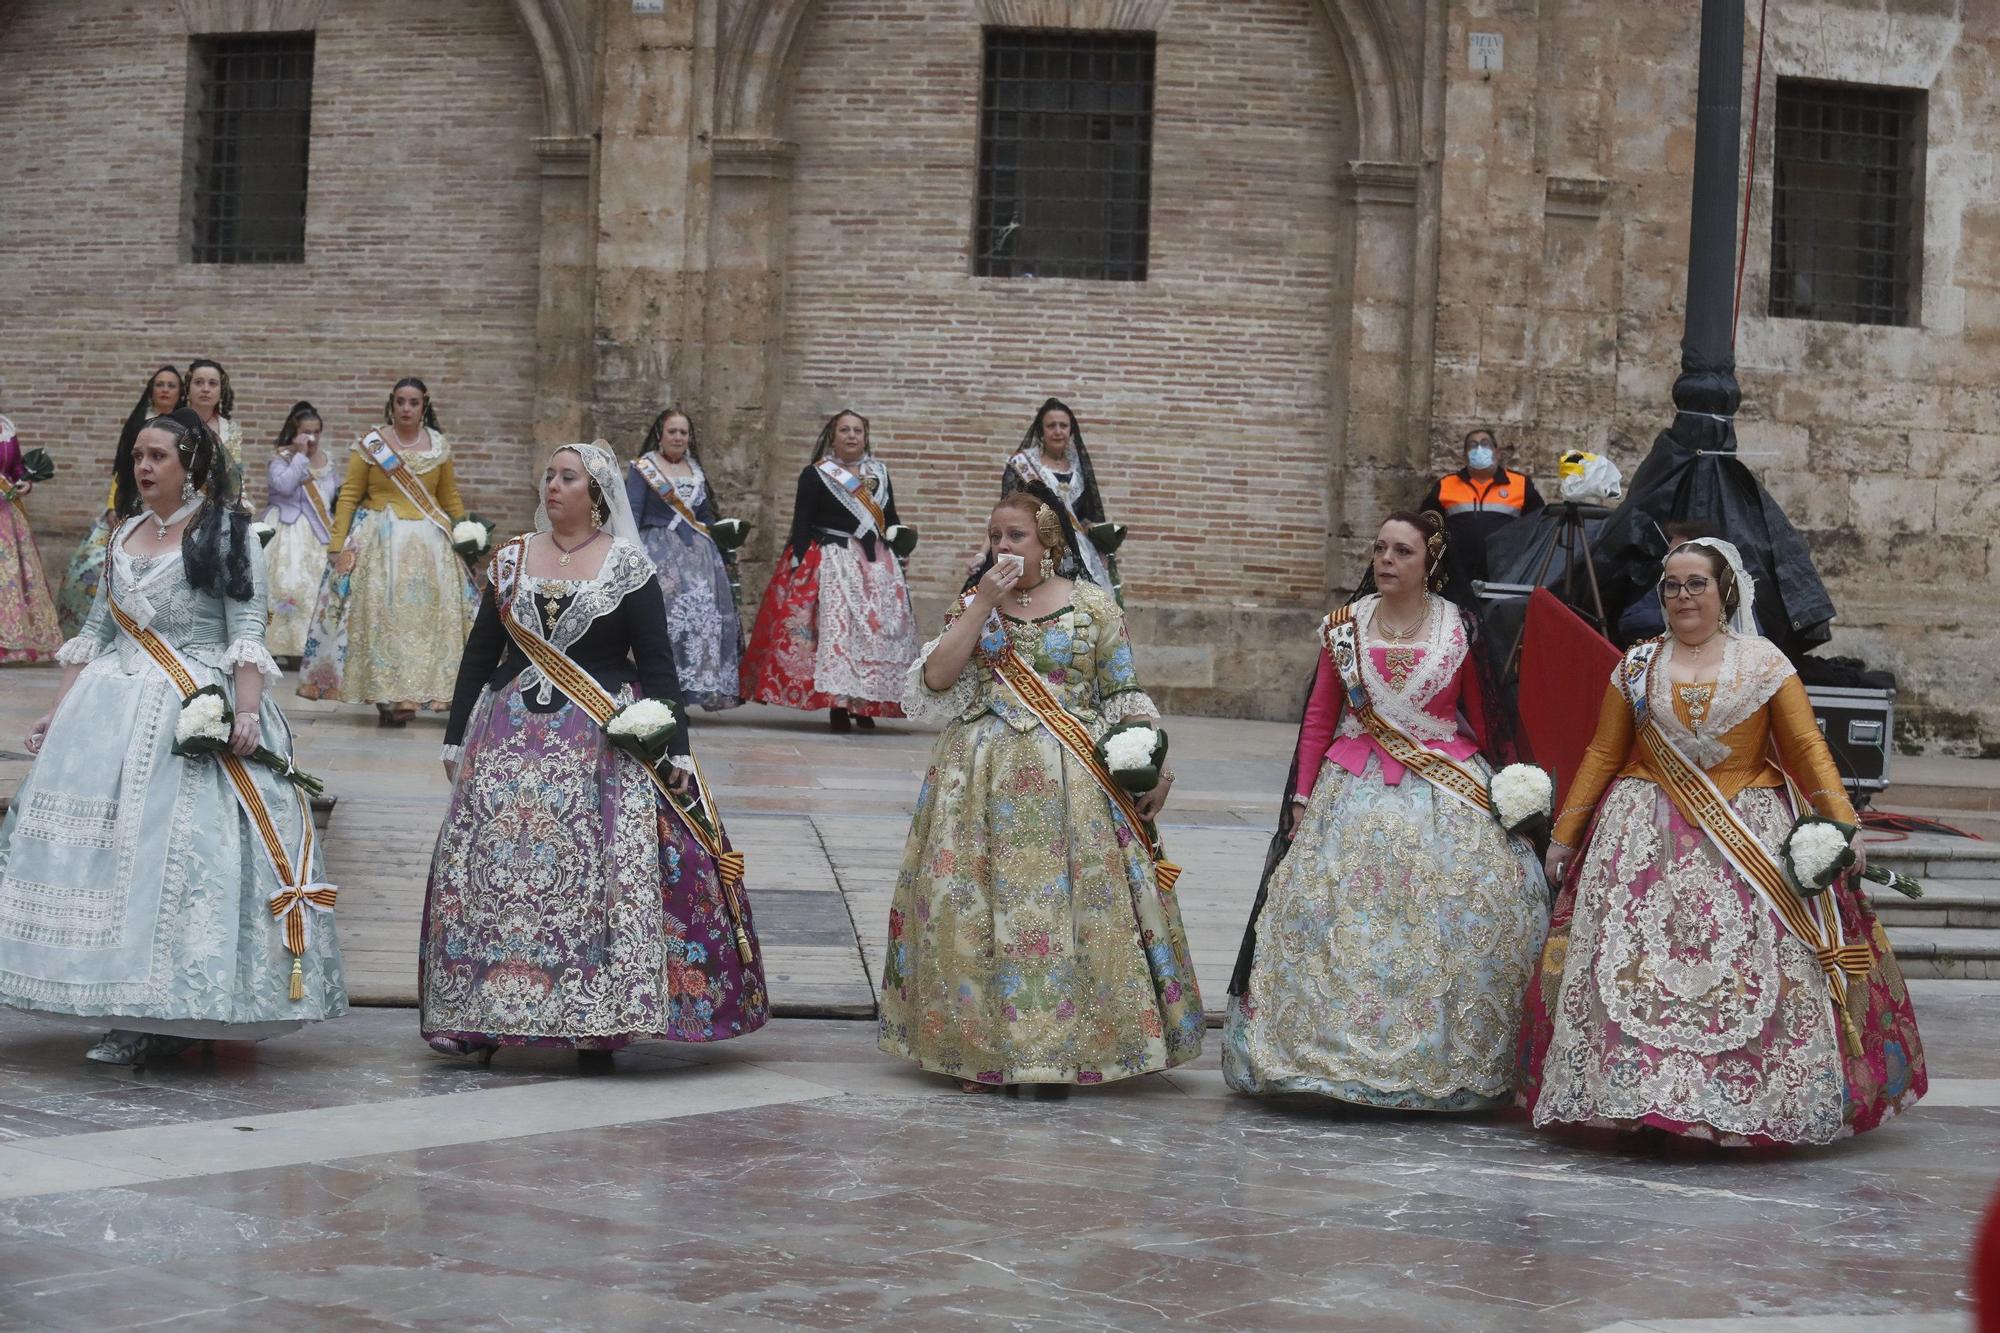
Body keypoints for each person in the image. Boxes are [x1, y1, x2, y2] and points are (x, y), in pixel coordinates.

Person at [1517, 538, 1926, 1145]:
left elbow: (1807, 749)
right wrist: (1565, 836)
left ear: (1724, 591)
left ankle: (1736, 1099)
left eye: (1695, 584)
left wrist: (1843, 823)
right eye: (1671, 586)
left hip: (1747, 833)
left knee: (1746, 971)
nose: (1682, 596)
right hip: (1643, 832)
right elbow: (1604, 751)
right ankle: (1640, 1095)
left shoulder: (1764, 664)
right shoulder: (1636, 666)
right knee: (1636, 968)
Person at [0, 409, 346, 1066]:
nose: (144, 466)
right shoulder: (123, 532)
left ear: (192, 466)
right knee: (106, 861)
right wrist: (58, 709)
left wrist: (245, 712)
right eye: (137, 455)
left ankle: (175, 1006)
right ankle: (118, 1004)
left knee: (179, 861)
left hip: (194, 707)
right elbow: (99, 629)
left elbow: (246, 627)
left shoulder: (227, 532)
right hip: (108, 713)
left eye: (157, 455)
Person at [422, 442, 767, 1069]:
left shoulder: (628, 567)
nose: (553, 485)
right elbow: (480, 654)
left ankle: (592, 1020)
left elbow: (659, 666)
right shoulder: (510, 562)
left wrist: (676, 751)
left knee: (590, 876)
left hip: (596, 750)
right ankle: (481, 1015)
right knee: (491, 873)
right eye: (549, 475)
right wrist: (454, 736)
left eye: (568, 477)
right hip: (505, 744)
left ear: (596, 493)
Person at [878, 486, 1203, 1094]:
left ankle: (1071, 1048)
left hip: (1074, 782)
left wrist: (1154, 766)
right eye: (995, 535)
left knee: (1073, 915)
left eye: (1016, 536)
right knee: (976, 913)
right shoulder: (975, 604)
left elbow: (1125, 696)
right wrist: (981, 606)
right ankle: (978, 1048)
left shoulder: (1091, 605)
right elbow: (937, 680)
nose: (1002, 545)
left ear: (1050, 541)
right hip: (979, 779)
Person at [1222, 511, 1548, 1109]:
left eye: (1402, 551)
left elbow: (1485, 713)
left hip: (1445, 787)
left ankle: (1447, 1059)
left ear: (1431, 564)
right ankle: (1326, 1056)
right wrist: (1299, 799)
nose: (1387, 561)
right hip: (1353, 781)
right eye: (1380, 549)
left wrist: (1511, 798)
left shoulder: (1460, 628)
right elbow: (1321, 714)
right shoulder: (1344, 628)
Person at [297, 377, 477, 724]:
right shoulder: (371, 446)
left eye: (413, 402)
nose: (406, 408)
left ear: (425, 405)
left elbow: (449, 496)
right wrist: (337, 544)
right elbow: (349, 495)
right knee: (381, 618)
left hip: (431, 546)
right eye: (400, 402)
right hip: (379, 541)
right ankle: (386, 695)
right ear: (391, 404)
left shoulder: (439, 446)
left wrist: (466, 533)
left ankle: (415, 693)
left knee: (424, 622)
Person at [740, 408, 920, 731]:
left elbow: (889, 516)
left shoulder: (879, 473)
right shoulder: (817, 474)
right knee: (839, 635)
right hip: (833, 560)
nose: (852, 436)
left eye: (858, 431)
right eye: (845, 431)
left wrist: (899, 538)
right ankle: (839, 705)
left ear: (866, 436)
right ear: (832, 437)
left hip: (877, 564)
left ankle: (866, 705)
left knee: (875, 635)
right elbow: (802, 522)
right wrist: (797, 563)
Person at [625, 406, 742, 710]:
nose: (678, 437)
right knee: (665, 623)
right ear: (660, 435)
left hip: (699, 557)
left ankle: (690, 691)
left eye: (683, 432)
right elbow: (633, 511)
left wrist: (725, 533)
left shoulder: (695, 470)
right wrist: (629, 551)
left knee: (699, 623)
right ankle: (664, 691)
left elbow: (702, 516)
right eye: (672, 431)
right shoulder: (643, 468)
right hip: (658, 552)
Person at [58, 365, 182, 636]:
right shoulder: (139, 422)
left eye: (171, 385)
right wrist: (113, 503)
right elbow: (122, 468)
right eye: (159, 384)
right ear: (151, 390)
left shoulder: (185, 427)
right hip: (133, 499)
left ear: (180, 392)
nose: (164, 389)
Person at [1000, 398, 1123, 600]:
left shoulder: (1078, 465)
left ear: (1071, 430)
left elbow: (1086, 514)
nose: (1058, 431)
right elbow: (1007, 509)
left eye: (1063, 425)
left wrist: (1103, 539)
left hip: (1081, 548)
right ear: (1041, 431)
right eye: (1051, 426)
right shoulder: (1022, 464)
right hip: (1042, 543)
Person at [1420, 427, 1543, 588]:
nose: (1479, 449)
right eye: (1473, 445)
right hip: (1457, 576)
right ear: (1465, 456)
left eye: (1485, 444)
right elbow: (1424, 525)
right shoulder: (1446, 485)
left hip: (1506, 574)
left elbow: (1541, 525)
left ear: (1497, 452)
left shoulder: (1520, 484)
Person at [262, 401, 335, 659]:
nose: (312, 438)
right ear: (295, 432)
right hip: (285, 529)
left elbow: (330, 496)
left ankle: (307, 647)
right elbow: (283, 485)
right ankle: (277, 646)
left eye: (316, 431)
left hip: (317, 534)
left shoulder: (326, 460)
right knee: (285, 583)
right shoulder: (281, 458)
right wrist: (300, 456)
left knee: (314, 588)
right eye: (306, 432)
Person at [0, 408, 62, 663]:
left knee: (11, 575)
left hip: (6, 512)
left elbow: (14, 468)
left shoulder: (6, 427)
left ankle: (13, 644)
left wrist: (23, 483)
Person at [180, 359, 245, 502]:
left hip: (220, 505)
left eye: (212, 383)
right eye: (198, 382)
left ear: (221, 390)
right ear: (187, 388)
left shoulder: (231, 430)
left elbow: (235, 476)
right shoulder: (173, 424)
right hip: (177, 503)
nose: (205, 389)